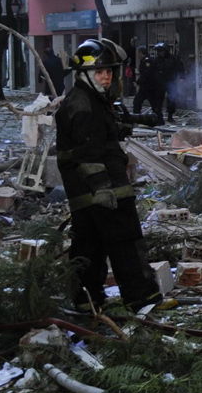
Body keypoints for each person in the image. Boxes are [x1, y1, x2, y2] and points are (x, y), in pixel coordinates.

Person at [54, 37, 163, 311]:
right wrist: (104, 189)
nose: (107, 76)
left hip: (84, 193)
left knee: (88, 246)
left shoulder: (87, 98)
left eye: (109, 71)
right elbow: (87, 152)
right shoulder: (83, 105)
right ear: (85, 74)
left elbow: (96, 137)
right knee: (126, 241)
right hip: (105, 189)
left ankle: (85, 299)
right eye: (101, 71)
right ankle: (142, 298)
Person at [133, 43, 170, 125]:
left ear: (141, 53)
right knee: (140, 102)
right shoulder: (146, 60)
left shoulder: (147, 61)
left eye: (138, 53)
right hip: (147, 87)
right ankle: (137, 119)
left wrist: (138, 82)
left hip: (149, 87)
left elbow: (147, 73)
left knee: (150, 104)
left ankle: (159, 121)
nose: (138, 55)